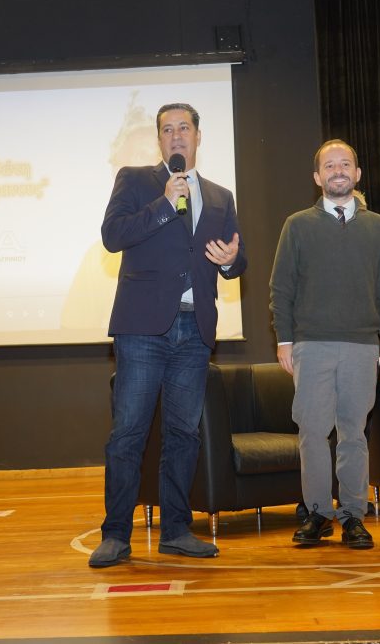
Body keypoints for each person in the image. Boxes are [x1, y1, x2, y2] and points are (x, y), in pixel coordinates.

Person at [89, 103, 246, 567]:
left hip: (194, 329)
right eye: (167, 129)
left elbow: (237, 257)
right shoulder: (136, 181)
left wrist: (231, 261)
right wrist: (163, 204)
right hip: (142, 328)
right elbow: (112, 235)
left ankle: (177, 530)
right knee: (129, 433)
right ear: (159, 140)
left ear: (198, 136)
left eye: (184, 127)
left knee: (183, 434)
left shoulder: (220, 196)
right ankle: (116, 535)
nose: (176, 136)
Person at [269, 139, 380, 550]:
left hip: (363, 346)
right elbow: (281, 288)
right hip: (311, 346)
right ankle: (317, 514)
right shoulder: (297, 225)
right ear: (317, 177)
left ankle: (353, 516)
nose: (338, 170)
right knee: (312, 432)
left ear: (357, 174)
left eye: (345, 164)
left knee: (353, 434)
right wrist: (284, 340)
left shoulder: (379, 227)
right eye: (330, 165)